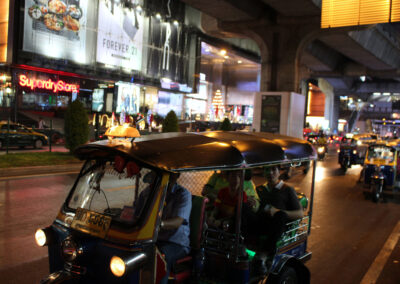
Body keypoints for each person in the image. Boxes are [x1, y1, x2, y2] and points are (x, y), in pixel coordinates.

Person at [244, 165, 304, 259]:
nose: (270, 173)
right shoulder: (259, 189)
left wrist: (277, 211)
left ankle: (265, 253)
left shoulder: (287, 190)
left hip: (276, 226)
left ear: (279, 172)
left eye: (273, 169)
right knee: (243, 208)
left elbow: (300, 213)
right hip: (261, 222)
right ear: (264, 172)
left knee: (280, 215)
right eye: (267, 169)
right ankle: (243, 244)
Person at [157, 172, 192, 284]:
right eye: (166, 173)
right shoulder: (151, 192)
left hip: (176, 243)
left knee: (161, 257)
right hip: (155, 239)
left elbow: (178, 221)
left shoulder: (183, 194)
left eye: (172, 174)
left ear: (177, 175)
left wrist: (159, 224)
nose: (168, 176)